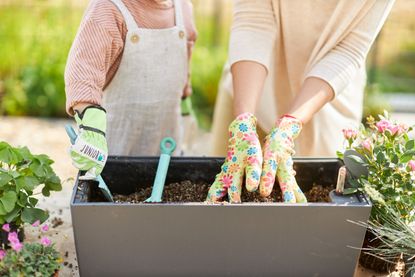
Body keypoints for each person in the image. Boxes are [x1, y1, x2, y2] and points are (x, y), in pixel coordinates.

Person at [207, 0, 395, 203]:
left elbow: (349, 48)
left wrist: (290, 124)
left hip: (325, 94)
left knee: (315, 208)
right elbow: (253, 20)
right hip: (252, 81)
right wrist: (243, 119)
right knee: (220, 198)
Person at [64, 0, 197, 179]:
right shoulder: (107, 9)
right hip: (113, 153)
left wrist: (186, 107)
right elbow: (84, 72)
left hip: (166, 147)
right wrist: (90, 124)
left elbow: (182, 70)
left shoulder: (183, 9)